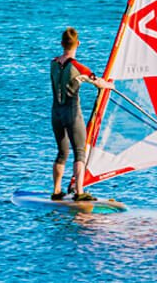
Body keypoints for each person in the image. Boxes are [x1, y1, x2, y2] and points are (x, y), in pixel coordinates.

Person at [50, 28, 113, 201]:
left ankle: (56, 191)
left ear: (62, 44)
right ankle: (79, 192)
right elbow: (98, 83)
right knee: (79, 152)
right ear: (78, 44)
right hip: (72, 114)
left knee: (62, 153)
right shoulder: (78, 67)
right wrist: (110, 86)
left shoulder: (53, 63)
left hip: (56, 113)